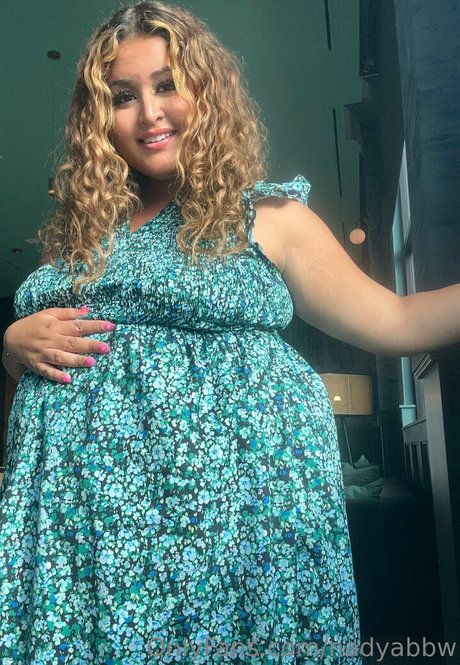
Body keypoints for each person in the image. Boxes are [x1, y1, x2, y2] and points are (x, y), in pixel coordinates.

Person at [1, 2, 460, 664]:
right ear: (99, 119)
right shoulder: (84, 238)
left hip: (235, 528)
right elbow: (46, 366)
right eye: (123, 96)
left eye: (167, 84)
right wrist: (12, 346)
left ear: (205, 92)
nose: (149, 112)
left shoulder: (268, 217)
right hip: (86, 538)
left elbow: (397, 320)